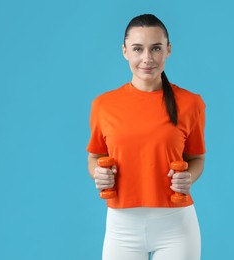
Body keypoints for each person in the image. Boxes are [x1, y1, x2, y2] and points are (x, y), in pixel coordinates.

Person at [87, 14, 206, 260]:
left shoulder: (191, 103)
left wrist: (188, 178)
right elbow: (95, 156)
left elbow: (196, 159)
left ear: (168, 50)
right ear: (125, 51)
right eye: (138, 49)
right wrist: (98, 172)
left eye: (156, 48)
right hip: (122, 227)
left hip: (176, 226)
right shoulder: (104, 105)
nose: (147, 58)